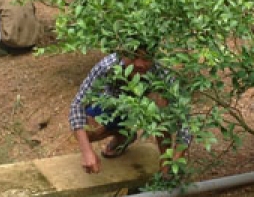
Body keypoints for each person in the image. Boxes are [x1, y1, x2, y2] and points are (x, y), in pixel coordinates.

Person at [69, 46, 191, 175]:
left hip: (146, 113)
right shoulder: (108, 65)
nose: (139, 64)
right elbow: (77, 105)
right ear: (122, 53)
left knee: (161, 99)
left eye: (146, 58)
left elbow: (185, 122)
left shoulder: (162, 73)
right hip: (113, 110)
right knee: (87, 130)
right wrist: (87, 151)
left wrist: (175, 161)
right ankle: (123, 136)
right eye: (133, 56)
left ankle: (164, 160)